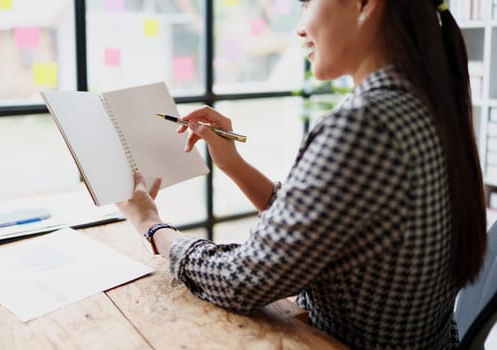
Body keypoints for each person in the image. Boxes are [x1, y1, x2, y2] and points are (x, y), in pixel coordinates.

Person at [117, 0, 488, 348]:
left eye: (309, 2)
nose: (299, 28)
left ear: (366, 6)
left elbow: (242, 280)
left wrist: (151, 225)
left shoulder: (366, 124)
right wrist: (232, 163)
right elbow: (317, 222)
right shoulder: (423, 105)